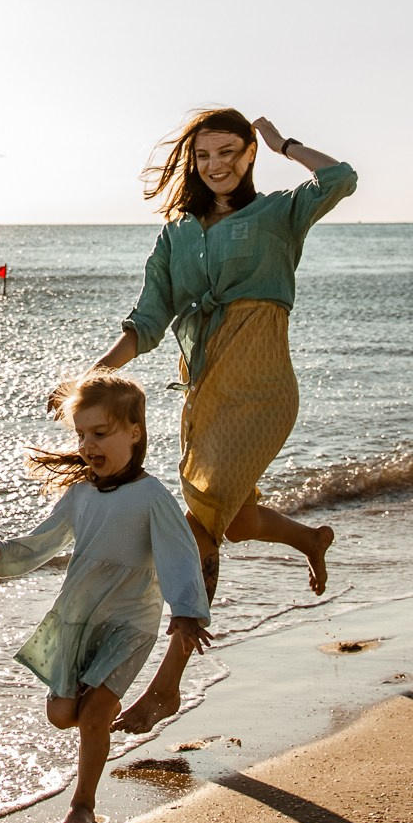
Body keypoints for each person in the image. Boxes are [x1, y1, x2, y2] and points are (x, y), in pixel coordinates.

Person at [88, 109, 357, 733]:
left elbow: (341, 177)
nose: (217, 165)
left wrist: (284, 143)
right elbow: (149, 319)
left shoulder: (278, 215)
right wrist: (96, 372)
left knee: (197, 531)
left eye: (230, 152)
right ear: (193, 161)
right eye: (205, 155)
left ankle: (167, 683)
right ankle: (310, 540)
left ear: (248, 155)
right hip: (204, 389)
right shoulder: (176, 236)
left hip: (261, 388)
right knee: (229, 519)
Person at [0, 372, 212, 823]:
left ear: (134, 432)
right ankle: (89, 726)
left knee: (96, 713)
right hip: (78, 617)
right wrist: (2, 552)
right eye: (81, 434)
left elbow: (179, 554)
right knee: (63, 715)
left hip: (130, 622)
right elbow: (45, 539)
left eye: (100, 433)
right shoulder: (80, 494)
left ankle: (83, 806)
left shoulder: (152, 497)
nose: (88, 443)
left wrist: (186, 611)